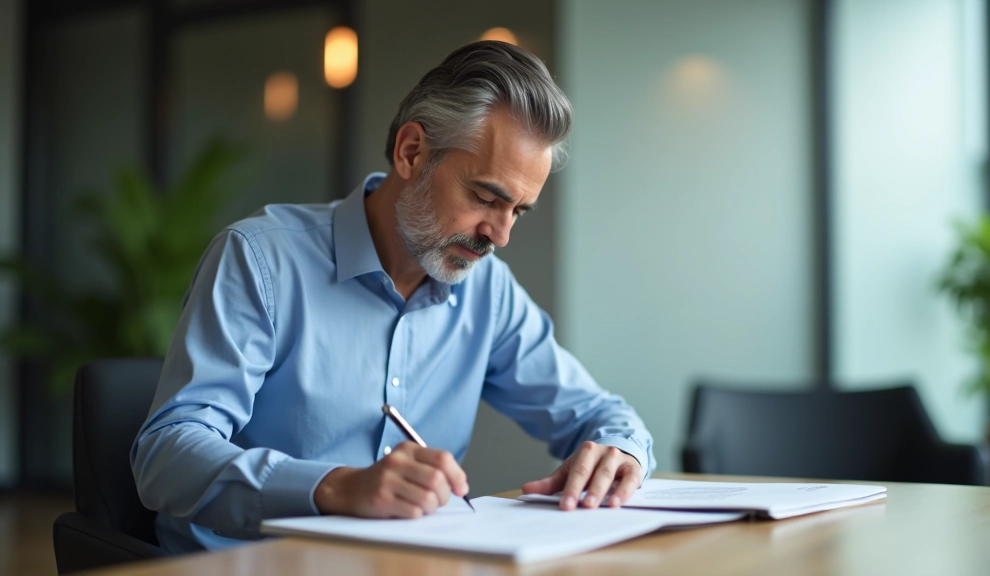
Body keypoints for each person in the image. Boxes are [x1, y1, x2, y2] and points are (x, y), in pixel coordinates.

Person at [131, 41, 655, 553]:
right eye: (485, 198)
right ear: (412, 152)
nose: (500, 235)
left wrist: (618, 451)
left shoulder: (488, 290)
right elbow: (165, 456)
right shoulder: (260, 261)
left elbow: (598, 413)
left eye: (518, 210)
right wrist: (334, 488)